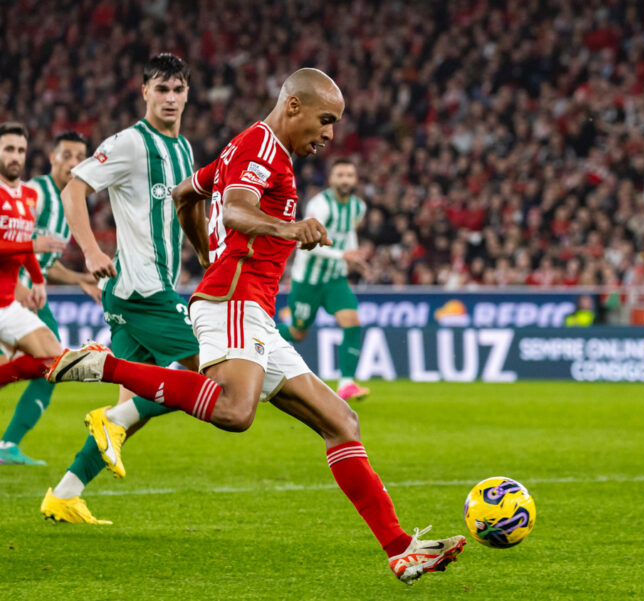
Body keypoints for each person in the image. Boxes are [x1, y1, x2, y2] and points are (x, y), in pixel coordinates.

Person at [48, 68, 465, 584]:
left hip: (253, 310)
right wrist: (285, 228)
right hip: (233, 302)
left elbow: (183, 194)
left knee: (341, 423)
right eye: (326, 120)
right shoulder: (261, 146)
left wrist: (205, 250)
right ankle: (102, 364)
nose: (330, 135)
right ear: (293, 106)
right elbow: (239, 210)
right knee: (234, 410)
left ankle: (402, 550)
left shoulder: (246, 148)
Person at [41, 54, 202, 524]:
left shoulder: (184, 148)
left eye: (177, 90)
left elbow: (183, 213)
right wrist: (89, 251)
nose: (170, 98)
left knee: (132, 404)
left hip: (143, 293)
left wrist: (206, 254)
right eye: (161, 89)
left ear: (187, 94)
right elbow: (74, 188)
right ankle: (110, 418)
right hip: (144, 292)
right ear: (145, 92)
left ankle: (65, 494)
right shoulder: (131, 143)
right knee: (217, 377)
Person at [0, 131, 99, 465]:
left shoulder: (70, 203)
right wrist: (21, 287)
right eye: (67, 155)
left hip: (30, 297)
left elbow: (46, 260)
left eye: (79, 156)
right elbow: (18, 241)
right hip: (15, 293)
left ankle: (8, 445)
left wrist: (79, 279)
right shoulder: (36, 193)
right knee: (53, 364)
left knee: (52, 364)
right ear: (52, 157)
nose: (73, 163)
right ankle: (8, 444)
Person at [281, 158, 370, 401]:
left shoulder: (358, 207)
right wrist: (343, 254)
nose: (345, 180)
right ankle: (253, 339)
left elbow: (348, 233)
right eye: (340, 175)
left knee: (352, 321)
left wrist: (355, 258)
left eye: (349, 175)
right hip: (308, 280)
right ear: (331, 179)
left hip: (335, 279)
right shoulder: (321, 205)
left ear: (355, 179)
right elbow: (305, 242)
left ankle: (346, 384)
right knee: (298, 333)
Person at [0, 122, 67, 397]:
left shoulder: (28, 195)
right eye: (8, 149)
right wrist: (32, 243)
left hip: (7, 304)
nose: (15, 156)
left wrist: (38, 281)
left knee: (54, 357)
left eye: (20, 150)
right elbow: (27, 243)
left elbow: (23, 247)